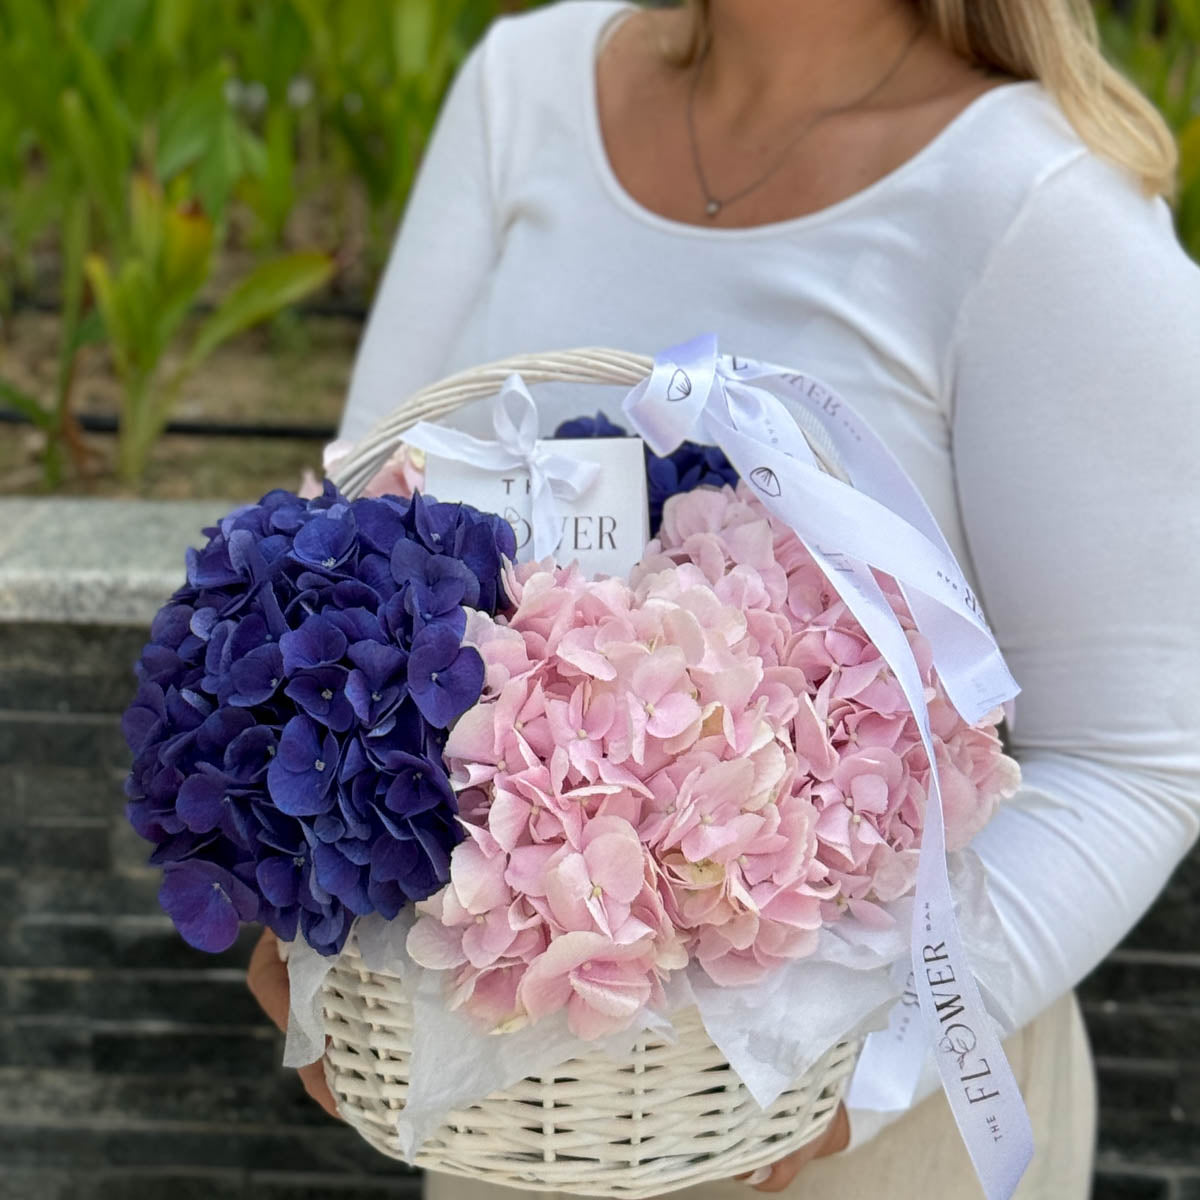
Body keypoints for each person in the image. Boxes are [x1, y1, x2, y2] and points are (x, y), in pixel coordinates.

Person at [249, 1, 1200, 1195]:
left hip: (863, 1144)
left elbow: (1135, 761)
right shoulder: (525, 85)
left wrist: (843, 1072)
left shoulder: (1046, 209)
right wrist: (292, 881)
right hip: (518, 1119)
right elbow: (352, 525)